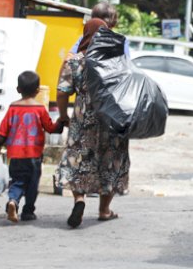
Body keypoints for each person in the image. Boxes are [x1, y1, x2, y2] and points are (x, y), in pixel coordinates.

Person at [56, 18, 131, 228]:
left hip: (83, 117)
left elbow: (62, 92)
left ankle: (79, 199)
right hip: (112, 117)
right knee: (111, 159)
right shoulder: (116, 62)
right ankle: (104, 210)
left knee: (77, 158)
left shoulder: (74, 61)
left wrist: (63, 116)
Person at [0, 71, 64, 223]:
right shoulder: (39, 109)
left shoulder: (12, 108)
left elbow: (2, 131)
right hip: (34, 155)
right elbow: (51, 128)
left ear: (18, 89)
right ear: (37, 90)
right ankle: (28, 211)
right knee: (32, 184)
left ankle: (13, 201)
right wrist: (61, 121)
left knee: (17, 180)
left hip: (15, 154)